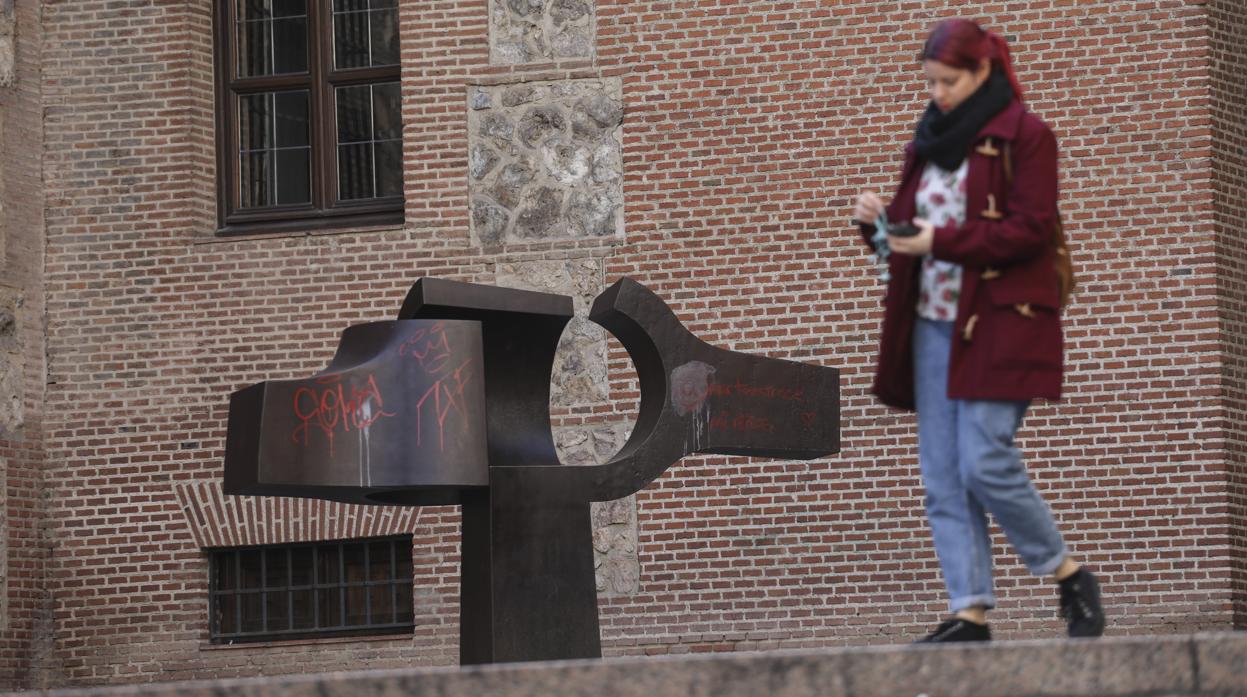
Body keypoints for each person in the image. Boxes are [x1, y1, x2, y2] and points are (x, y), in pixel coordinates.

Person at [852, 18, 1106, 643]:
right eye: (931, 81)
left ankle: (1067, 572)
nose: (936, 93)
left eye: (948, 81)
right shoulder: (928, 141)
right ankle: (969, 611)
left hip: (1000, 323)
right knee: (941, 473)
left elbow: (1029, 231)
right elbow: (913, 238)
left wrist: (941, 239)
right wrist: (880, 227)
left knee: (985, 459)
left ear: (982, 72)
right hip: (931, 324)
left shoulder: (1027, 135)